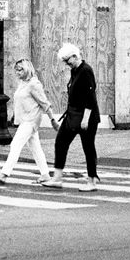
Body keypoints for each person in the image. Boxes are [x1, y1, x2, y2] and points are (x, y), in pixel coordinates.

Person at [0, 58, 59, 185]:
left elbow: (45, 103)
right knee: (36, 148)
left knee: (15, 145)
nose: (17, 73)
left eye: (20, 70)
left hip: (31, 120)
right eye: (16, 70)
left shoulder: (34, 84)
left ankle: (4, 174)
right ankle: (45, 175)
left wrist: (52, 119)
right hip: (25, 120)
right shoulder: (23, 83)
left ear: (27, 69)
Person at [41, 42, 100, 192]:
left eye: (67, 60)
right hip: (73, 115)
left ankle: (92, 181)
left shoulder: (86, 70)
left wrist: (85, 119)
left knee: (88, 148)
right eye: (65, 61)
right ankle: (57, 178)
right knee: (61, 142)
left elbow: (90, 96)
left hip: (86, 117)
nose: (66, 64)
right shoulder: (75, 70)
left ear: (75, 56)